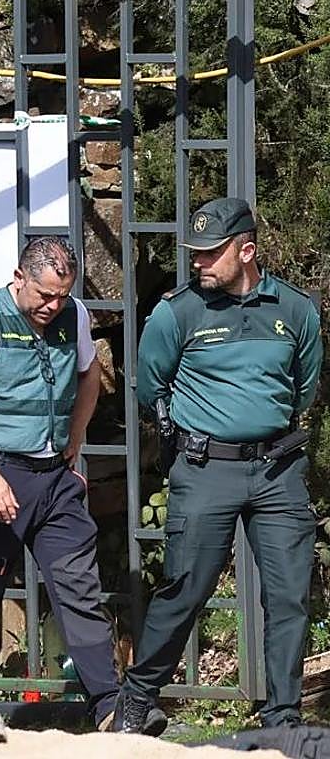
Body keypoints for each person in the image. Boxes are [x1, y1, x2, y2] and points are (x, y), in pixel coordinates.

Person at [113, 197, 323, 733]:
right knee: (186, 585)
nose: (199, 263)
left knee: (289, 596)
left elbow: (304, 386)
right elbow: (152, 384)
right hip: (207, 468)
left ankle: (282, 718)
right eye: (196, 254)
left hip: (278, 469)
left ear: (246, 251)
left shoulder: (296, 311)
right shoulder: (176, 312)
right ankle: (138, 697)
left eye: (211, 254)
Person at [0, 236, 124, 730]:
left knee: (79, 589)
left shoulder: (72, 314)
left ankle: (110, 707)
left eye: (62, 295)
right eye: (43, 295)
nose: (52, 306)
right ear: (19, 280)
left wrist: (74, 439)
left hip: (52, 478)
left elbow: (88, 376)